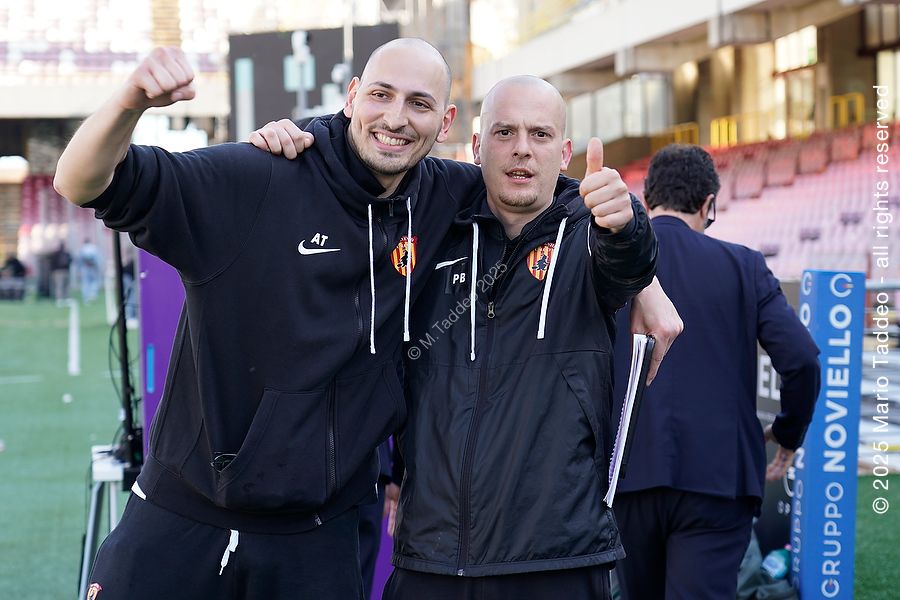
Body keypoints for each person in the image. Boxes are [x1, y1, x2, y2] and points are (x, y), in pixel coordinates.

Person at [54, 39, 486, 600]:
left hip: (321, 536)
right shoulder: (260, 175)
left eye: (419, 104)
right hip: (185, 518)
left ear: (445, 121)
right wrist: (129, 102)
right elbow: (80, 182)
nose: (396, 118)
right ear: (353, 96)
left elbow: (538, 200)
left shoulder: (445, 195)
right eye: (381, 95)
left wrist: (615, 239)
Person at [251, 75, 663, 599]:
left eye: (539, 135)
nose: (521, 149)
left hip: (557, 562)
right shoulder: (430, 232)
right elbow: (368, 167)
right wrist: (299, 141)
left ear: (564, 155)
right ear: (476, 147)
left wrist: (627, 225)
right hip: (431, 562)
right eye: (504, 132)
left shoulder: (588, 239)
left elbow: (628, 262)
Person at [610, 144, 821, 600]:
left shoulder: (611, 262)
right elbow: (802, 359)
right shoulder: (745, 265)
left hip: (627, 473)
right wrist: (788, 433)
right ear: (709, 204)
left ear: (647, 200)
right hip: (719, 480)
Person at [78, 238, 101, 302]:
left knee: (86, 283)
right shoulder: (94, 248)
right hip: (92, 267)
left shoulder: (83, 249)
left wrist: (79, 269)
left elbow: (80, 260)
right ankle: (93, 295)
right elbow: (97, 259)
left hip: (85, 268)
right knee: (94, 282)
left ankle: (86, 297)